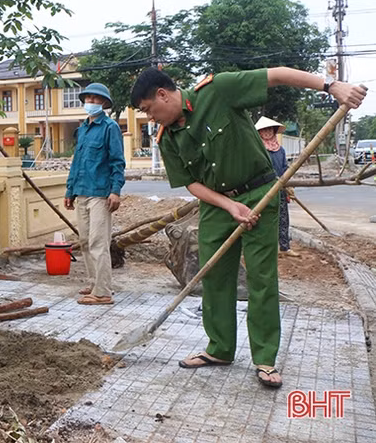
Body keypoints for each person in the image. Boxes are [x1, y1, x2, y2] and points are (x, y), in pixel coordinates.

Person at [130, 67, 366, 389]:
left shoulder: (218, 91)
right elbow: (191, 184)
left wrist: (330, 85)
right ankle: (220, 349)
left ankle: (265, 358)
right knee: (213, 277)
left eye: (148, 110)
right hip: (217, 206)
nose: (150, 118)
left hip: (259, 194)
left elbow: (277, 75)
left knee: (262, 278)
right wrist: (229, 206)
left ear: (162, 94)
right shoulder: (167, 138)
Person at [63, 83, 126, 306]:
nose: (91, 101)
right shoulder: (83, 130)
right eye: (88, 98)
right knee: (85, 241)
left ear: (104, 103)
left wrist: (115, 191)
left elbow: (117, 162)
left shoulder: (110, 128)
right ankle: (93, 283)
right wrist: (70, 189)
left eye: (96, 98)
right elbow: (77, 162)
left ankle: (103, 292)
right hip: (81, 191)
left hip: (100, 193)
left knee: (99, 242)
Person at [255, 116, 298, 257]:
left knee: (283, 218)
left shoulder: (280, 150)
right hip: (263, 189)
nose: (267, 132)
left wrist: (288, 185)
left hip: (280, 189)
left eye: (269, 130)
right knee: (265, 219)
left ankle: (285, 247)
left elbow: (285, 168)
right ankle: (267, 248)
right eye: (264, 130)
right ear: (259, 133)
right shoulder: (258, 149)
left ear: (274, 131)